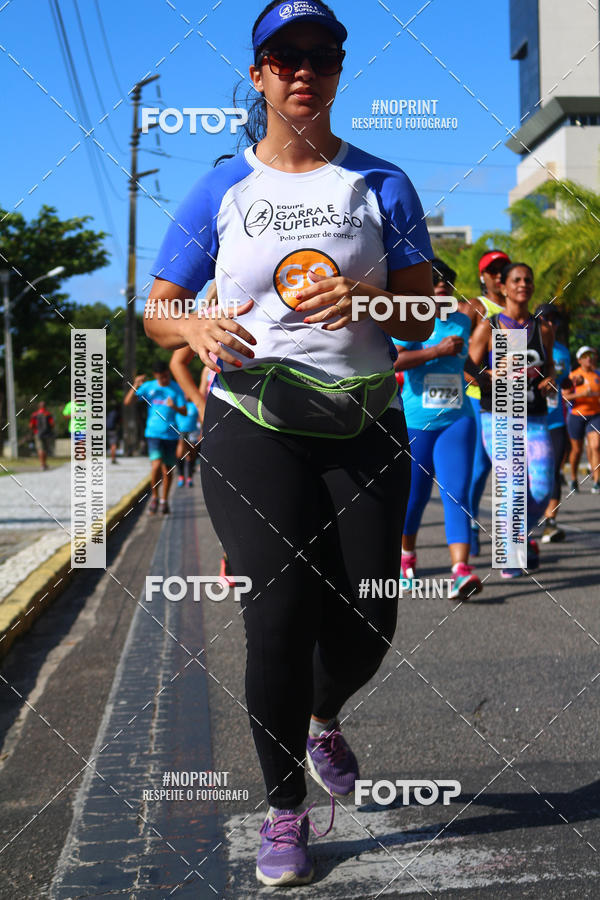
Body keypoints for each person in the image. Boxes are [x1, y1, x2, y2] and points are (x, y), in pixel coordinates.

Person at [144, 0, 435, 886]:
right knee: (276, 613)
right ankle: (282, 813)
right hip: (251, 419)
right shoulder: (220, 187)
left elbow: (424, 308)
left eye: (323, 53)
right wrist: (192, 328)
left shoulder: (382, 183)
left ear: (340, 71)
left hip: (363, 419)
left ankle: (321, 716)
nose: (305, 67)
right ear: (260, 71)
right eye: (286, 53)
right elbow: (157, 307)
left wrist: (369, 301)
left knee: (368, 618)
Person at [396, 259, 482, 599]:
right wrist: (435, 351)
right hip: (418, 421)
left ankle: (460, 571)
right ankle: (405, 558)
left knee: (456, 496)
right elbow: (394, 362)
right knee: (415, 496)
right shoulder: (408, 321)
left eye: (448, 279)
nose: (442, 284)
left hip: (457, 419)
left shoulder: (462, 321)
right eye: (434, 279)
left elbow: (464, 360)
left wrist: (484, 379)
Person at [468, 263, 556, 578]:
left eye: (528, 280)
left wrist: (551, 378)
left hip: (534, 416)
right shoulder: (490, 327)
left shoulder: (542, 327)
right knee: (514, 486)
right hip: (499, 416)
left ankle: (516, 536)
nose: (523, 284)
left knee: (543, 488)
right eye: (516, 280)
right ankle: (510, 553)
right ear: (503, 287)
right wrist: (488, 375)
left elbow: (550, 365)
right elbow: (467, 365)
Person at [459, 250, 511, 556]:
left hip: (514, 400)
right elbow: (461, 353)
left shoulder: (517, 309)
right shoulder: (477, 307)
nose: (499, 275)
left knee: (506, 466)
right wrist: (482, 374)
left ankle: (513, 536)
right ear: (483, 277)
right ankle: (470, 524)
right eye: (493, 271)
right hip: (479, 399)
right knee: (480, 468)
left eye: (504, 268)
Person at [123, 360, 187, 515]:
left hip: (171, 434)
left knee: (167, 470)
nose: (164, 380)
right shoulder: (149, 387)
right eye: (161, 377)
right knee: (156, 466)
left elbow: (184, 411)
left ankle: (164, 500)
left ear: (168, 374)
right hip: (153, 433)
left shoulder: (176, 388)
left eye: (166, 376)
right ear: (155, 376)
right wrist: (136, 386)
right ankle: (155, 498)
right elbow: (128, 402)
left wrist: (175, 407)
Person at [534, 304, 572, 542]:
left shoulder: (563, 352)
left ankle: (551, 523)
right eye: (545, 319)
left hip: (556, 421)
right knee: (529, 475)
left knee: (554, 472)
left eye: (554, 320)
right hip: (530, 420)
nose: (550, 324)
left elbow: (565, 382)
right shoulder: (527, 347)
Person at [563, 346, 600, 493]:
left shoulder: (597, 374)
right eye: (585, 356)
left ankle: (597, 481)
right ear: (579, 360)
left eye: (591, 355)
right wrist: (581, 394)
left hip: (595, 415)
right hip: (577, 415)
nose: (589, 358)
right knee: (577, 450)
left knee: (596, 446)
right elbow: (565, 396)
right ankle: (573, 478)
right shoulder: (573, 376)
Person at [29, 401, 54, 470]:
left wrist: (34, 430)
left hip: (38, 433)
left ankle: (42, 464)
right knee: (45, 449)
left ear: (38, 407)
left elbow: (31, 425)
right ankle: (45, 463)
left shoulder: (34, 415)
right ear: (45, 407)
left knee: (40, 449)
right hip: (47, 434)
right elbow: (52, 424)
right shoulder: (48, 414)